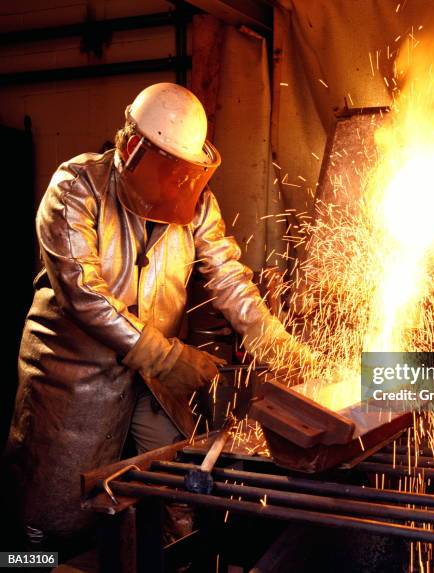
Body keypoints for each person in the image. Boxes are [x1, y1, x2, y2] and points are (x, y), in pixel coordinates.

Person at [4, 82, 305, 547]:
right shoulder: (76, 186)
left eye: (182, 174)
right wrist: (165, 357)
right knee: (51, 518)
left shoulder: (197, 201)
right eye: (164, 170)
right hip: (72, 381)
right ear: (130, 146)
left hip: (151, 383)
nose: (172, 187)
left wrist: (279, 346)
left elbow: (228, 278)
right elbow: (82, 293)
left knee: (178, 489)